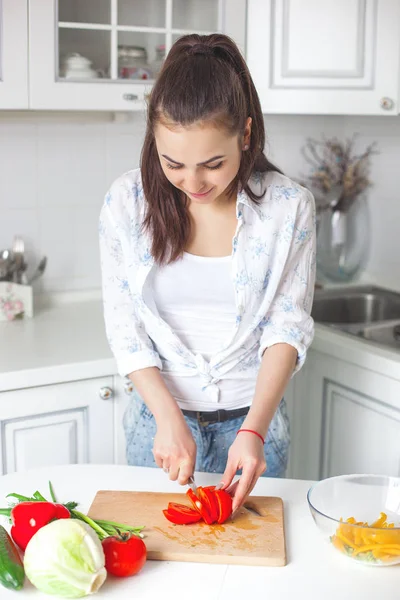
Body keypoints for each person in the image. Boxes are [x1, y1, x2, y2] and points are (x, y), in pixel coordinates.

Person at [99, 33, 316, 513]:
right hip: (159, 427)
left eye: (212, 164)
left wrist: (253, 429)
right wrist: (167, 417)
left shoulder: (288, 207)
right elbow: (125, 326)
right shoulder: (126, 203)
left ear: (244, 133)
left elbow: (287, 326)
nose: (193, 183)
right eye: (172, 163)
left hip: (253, 429)